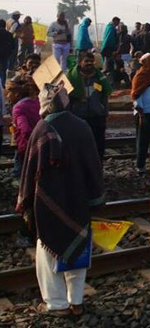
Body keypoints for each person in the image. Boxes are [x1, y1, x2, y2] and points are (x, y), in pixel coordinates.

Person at [16, 82, 105, 316]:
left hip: (48, 203)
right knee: (78, 247)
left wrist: (25, 203)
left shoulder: (41, 129)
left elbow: (29, 170)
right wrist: (95, 197)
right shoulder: (82, 127)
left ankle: (56, 304)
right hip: (79, 200)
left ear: (44, 105)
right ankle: (76, 301)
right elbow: (94, 166)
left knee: (47, 252)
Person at [67, 53, 112, 158]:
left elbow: (104, 96)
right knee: (80, 147)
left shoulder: (99, 78)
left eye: (91, 61)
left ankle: (97, 171)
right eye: (86, 61)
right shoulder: (71, 78)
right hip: (78, 117)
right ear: (80, 62)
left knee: (98, 147)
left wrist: (104, 111)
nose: (89, 63)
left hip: (97, 116)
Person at [7, 78, 40, 177]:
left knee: (22, 174)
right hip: (40, 143)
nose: (8, 96)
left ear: (17, 94)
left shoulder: (18, 109)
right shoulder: (36, 103)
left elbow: (25, 129)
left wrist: (29, 144)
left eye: (9, 93)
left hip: (25, 146)